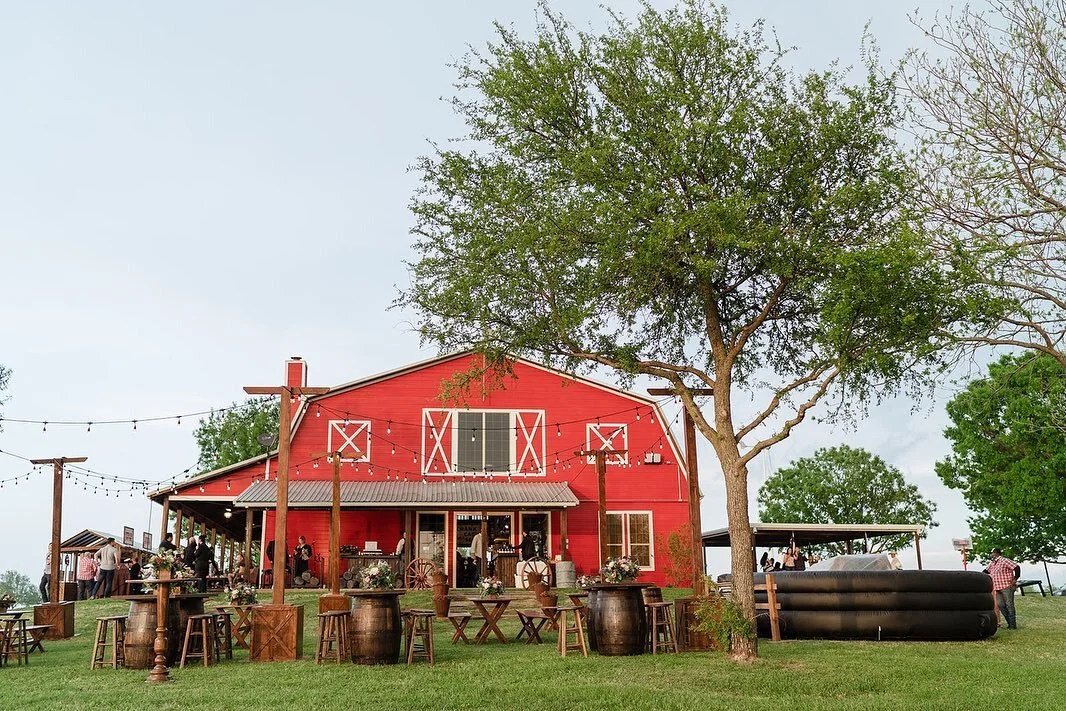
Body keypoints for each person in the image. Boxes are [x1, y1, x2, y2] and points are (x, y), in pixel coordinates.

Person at [984, 548, 1021, 629]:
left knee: (1009, 605)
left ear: (995, 553)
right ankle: (1009, 622)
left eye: (991, 553)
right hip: (997, 587)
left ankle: (1012, 625)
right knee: (1000, 605)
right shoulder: (993, 564)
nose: (991, 555)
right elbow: (985, 571)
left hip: (1007, 586)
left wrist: (1015, 579)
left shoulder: (1004, 560)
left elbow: (1016, 567)